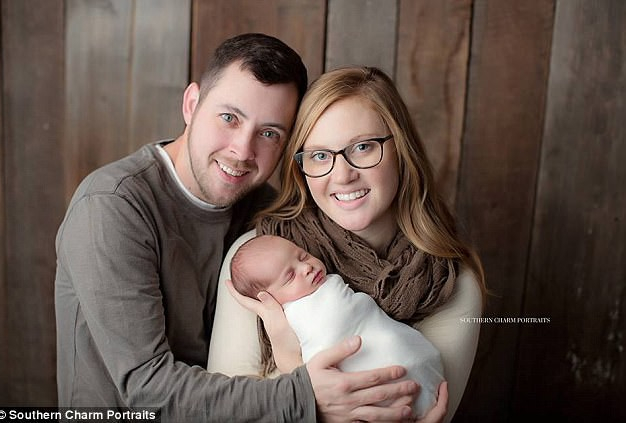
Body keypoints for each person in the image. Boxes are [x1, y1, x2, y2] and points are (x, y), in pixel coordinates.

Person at [55, 34, 423, 422]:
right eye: (229, 118)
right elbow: (147, 390)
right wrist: (304, 396)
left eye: (269, 133)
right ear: (191, 104)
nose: (243, 151)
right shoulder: (112, 206)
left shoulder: (268, 215)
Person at [208, 66, 486, 422]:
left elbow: (430, 409)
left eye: (363, 147)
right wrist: (299, 380)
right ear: (302, 169)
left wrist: (292, 371)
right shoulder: (260, 257)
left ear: (401, 149)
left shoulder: (450, 281)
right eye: (320, 155)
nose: (343, 175)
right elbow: (225, 413)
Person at [231, 234, 446, 419]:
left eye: (302, 256)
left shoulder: (327, 282)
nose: (306, 267)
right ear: (268, 298)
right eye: (290, 276)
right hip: (381, 395)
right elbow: (316, 360)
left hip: (415, 361)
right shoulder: (294, 316)